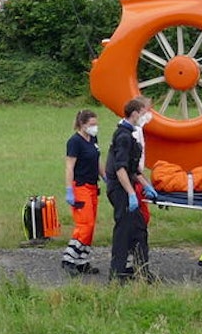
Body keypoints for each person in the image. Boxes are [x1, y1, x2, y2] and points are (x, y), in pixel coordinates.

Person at [106, 96, 157, 281]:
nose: (146, 116)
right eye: (144, 113)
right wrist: (130, 194)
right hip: (120, 189)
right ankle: (117, 273)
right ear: (135, 114)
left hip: (127, 186)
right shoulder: (124, 137)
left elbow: (132, 169)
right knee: (124, 230)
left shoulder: (131, 134)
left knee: (139, 229)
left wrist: (146, 186)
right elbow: (120, 169)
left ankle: (141, 269)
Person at [61, 109, 103, 275]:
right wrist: (69, 189)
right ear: (82, 124)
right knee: (86, 225)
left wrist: (105, 176)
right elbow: (69, 166)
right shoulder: (74, 142)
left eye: (96, 124)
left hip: (93, 186)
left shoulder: (93, 138)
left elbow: (98, 159)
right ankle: (69, 258)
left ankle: (82, 261)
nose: (95, 127)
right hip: (80, 187)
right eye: (92, 124)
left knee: (91, 228)